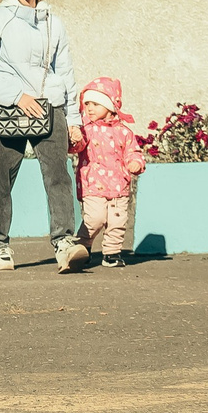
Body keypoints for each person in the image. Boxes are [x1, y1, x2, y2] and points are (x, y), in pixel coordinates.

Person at [0, 0, 83, 272]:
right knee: (0, 180)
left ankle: (64, 243)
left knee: (59, 177)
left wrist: (73, 118)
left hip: (51, 107)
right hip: (8, 108)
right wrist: (17, 96)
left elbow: (66, 72)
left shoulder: (52, 22)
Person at [71, 75, 146, 268]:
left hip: (119, 185)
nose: (89, 108)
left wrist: (135, 163)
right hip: (93, 183)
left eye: (96, 104)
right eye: (87, 103)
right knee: (94, 218)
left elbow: (133, 151)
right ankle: (82, 245)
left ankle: (112, 253)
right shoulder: (86, 129)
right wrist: (75, 138)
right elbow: (77, 148)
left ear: (110, 106)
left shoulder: (124, 132)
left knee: (117, 221)